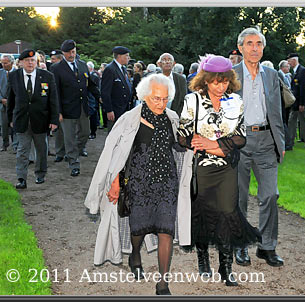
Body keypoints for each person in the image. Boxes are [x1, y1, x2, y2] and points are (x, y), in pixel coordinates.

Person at [85, 74, 189, 295]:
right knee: (139, 228)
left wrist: (190, 141)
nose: (161, 103)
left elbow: (179, 147)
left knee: (165, 230)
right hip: (139, 183)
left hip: (166, 182)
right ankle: (135, 254)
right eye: (156, 99)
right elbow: (116, 154)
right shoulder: (129, 119)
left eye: (165, 99)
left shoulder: (172, 118)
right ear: (144, 96)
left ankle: (163, 283)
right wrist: (114, 182)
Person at [178, 54, 261, 286]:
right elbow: (182, 136)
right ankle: (203, 259)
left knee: (227, 212)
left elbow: (241, 137)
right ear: (205, 80)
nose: (220, 86)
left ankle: (226, 268)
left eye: (224, 81)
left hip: (227, 167)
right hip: (201, 169)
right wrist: (198, 142)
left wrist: (214, 146)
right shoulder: (191, 101)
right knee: (203, 214)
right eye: (215, 81)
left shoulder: (236, 101)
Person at [233, 27, 285, 268]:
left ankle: (267, 246)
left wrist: (280, 142)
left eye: (259, 44)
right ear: (241, 47)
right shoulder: (230, 75)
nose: (255, 48)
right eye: (250, 44)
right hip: (238, 142)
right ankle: (240, 245)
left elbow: (277, 112)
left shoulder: (272, 75)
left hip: (266, 142)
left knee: (270, 195)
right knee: (239, 197)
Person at [6, 49, 59, 188]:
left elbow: (53, 100)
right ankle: (21, 178)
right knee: (22, 150)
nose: (30, 63)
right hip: (22, 120)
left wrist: (54, 120)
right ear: (21, 62)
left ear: (37, 62)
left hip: (41, 120)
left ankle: (40, 174)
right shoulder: (14, 76)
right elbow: (11, 99)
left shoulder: (47, 76)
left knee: (41, 150)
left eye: (33, 60)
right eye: (27, 60)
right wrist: (10, 118)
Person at [50, 39, 101, 177]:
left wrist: (99, 97)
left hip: (82, 107)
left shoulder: (82, 65)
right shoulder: (56, 68)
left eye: (73, 52)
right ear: (63, 53)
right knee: (69, 137)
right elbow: (56, 92)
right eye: (68, 53)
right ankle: (74, 163)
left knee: (85, 133)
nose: (71, 55)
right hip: (67, 109)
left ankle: (72, 152)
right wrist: (58, 111)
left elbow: (89, 84)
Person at [101, 46, 133, 131]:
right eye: (126, 55)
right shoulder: (110, 69)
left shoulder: (123, 68)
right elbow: (105, 92)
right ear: (119, 56)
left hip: (124, 108)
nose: (128, 58)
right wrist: (109, 110)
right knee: (114, 135)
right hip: (115, 109)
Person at [286, 53, 305, 149]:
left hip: (299, 102)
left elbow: (303, 88)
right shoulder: (296, 71)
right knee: (300, 121)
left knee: (295, 121)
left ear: (294, 60)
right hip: (296, 101)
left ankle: (290, 143)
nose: (288, 63)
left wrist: (302, 103)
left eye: (289, 61)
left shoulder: (302, 71)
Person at [0, 54, 17, 152]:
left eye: (6, 63)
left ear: (12, 63)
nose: (3, 65)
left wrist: (11, 101)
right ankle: (5, 143)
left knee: (15, 125)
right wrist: (1, 99)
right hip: (2, 105)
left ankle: (16, 145)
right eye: (2, 63)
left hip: (15, 105)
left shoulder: (17, 73)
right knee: (3, 126)